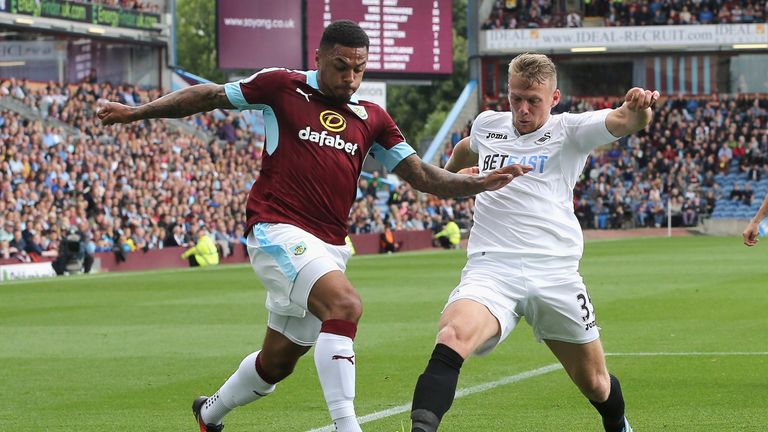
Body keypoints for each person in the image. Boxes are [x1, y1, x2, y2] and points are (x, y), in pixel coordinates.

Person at [97, 20, 529, 432]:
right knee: (345, 306)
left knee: (277, 363)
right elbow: (208, 96)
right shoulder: (282, 87)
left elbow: (425, 177)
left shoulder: (373, 117)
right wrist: (135, 113)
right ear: (318, 56)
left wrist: (478, 183)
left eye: (359, 69)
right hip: (276, 229)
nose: (351, 78)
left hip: (328, 245)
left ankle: (209, 413)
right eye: (341, 67)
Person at [409, 53, 659, 432]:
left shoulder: (571, 130)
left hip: (554, 272)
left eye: (533, 101)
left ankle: (619, 424)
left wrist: (639, 107)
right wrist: (448, 178)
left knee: (595, 382)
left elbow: (627, 120)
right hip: (491, 268)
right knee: (451, 336)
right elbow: (465, 148)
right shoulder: (487, 125)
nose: (523, 110)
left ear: (554, 98)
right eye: (515, 99)